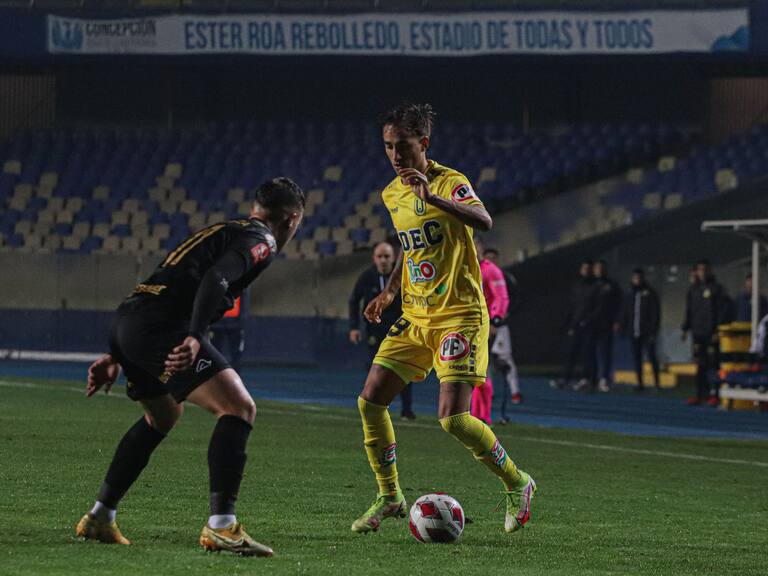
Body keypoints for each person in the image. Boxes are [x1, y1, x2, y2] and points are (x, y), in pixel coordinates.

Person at [75, 177, 305, 557]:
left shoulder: (228, 228)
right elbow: (217, 278)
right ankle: (222, 526)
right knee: (239, 408)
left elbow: (174, 280)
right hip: (163, 328)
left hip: (131, 318)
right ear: (292, 218)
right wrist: (196, 334)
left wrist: (120, 352)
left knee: (163, 416)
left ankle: (100, 516)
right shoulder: (263, 239)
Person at [350, 103, 535, 536]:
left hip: (459, 315)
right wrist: (390, 290)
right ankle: (390, 495)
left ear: (424, 144)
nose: (395, 156)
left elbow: (484, 221)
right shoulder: (391, 193)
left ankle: (518, 482)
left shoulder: (451, 182)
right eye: (388, 147)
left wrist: (432, 198)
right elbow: (409, 245)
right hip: (416, 316)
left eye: (403, 146)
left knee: (452, 419)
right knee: (370, 400)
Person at [349, 242, 415, 419]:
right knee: (377, 369)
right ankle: (377, 408)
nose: (383, 260)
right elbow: (354, 300)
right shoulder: (367, 277)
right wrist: (354, 327)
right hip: (375, 331)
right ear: (374, 258)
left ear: (394, 258)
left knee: (403, 370)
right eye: (380, 256)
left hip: (401, 331)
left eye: (387, 256)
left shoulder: (404, 276)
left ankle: (406, 410)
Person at [470, 238, 509, 425]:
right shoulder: (460, 268)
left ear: (480, 249)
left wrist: (495, 319)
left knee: (481, 372)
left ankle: (482, 415)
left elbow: (501, 297)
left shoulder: (491, 270)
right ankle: (472, 414)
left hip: (482, 326)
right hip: (461, 326)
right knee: (467, 372)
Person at [682, 259, 729, 406]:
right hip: (698, 333)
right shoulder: (693, 290)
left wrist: (717, 330)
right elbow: (689, 311)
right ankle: (700, 394)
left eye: (705, 269)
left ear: (709, 271)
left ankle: (715, 393)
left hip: (711, 333)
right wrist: (685, 328)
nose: (702, 272)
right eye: (700, 269)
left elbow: (722, 311)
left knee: (713, 364)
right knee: (700, 364)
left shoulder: (717, 289)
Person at [483, 246, 523, 414]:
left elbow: (515, 300)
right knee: (484, 361)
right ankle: (488, 393)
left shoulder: (505, 277)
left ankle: (515, 392)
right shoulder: (476, 274)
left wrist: (499, 320)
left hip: (500, 326)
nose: (491, 261)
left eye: (494, 257)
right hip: (481, 324)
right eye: (488, 258)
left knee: (505, 357)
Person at [550, 259, 598, 391]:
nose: (586, 271)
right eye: (584, 269)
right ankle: (566, 378)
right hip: (575, 325)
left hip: (589, 325)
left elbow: (597, 307)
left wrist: (588, 320)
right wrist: (567, 324)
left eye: (588, 269)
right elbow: (572, 307)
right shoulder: (577, 285)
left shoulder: (596, 286)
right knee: (571, 353)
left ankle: (586, 379)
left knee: (587, 354)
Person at [621, 268, 661, 391]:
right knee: (636, 357)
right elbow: (625, 312)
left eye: (639, 278)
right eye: (635, 278)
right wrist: (623, 325)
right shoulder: (629, 294)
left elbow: (655, 313)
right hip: (634, 331)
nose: (637, 280)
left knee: (651, 356)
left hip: (647, 332)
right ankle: (639, 383)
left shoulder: (649, 293)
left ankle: (656, 383)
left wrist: (653, 329)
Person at [592, 260, 623, 393]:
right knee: (590, 353)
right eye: (597, 268)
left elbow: (620, 304)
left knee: (606, 352)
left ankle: (604, 378)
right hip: (591, 324)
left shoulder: (612, 285)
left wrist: (617, 321)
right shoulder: (589, 285)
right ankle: (591, 378)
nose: (599, 270)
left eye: (601, 268)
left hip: (606, 323)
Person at [210, 287, 249, 374]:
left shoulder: (241, 283)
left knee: (236, 356)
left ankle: (235, 379)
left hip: (235, 326)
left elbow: (244, 304)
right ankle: (217, 378)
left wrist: (240, 323)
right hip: (217, 325)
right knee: (215, 355)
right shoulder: (215, 281)